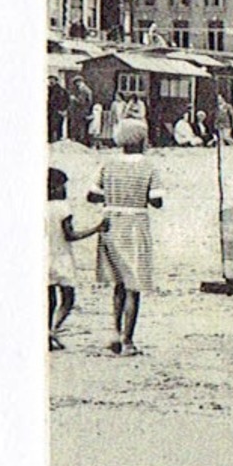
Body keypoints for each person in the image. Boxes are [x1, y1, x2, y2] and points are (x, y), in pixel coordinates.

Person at [90, 119, 163, 356]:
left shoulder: (108, 163)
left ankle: (114, 332)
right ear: (142, 140)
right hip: (135, 224)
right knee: (135, 284)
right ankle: (128, 340)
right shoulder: (149, 166)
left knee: (118, 283)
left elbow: (91, 195)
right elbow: (156, 200)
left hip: (110, 223)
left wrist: (113, 198)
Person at [47, 167, 108, 350]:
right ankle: (53, 330)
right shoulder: (63, 207)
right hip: (62, 257)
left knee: (48, 300)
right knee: (67, 298)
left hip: (43, 258)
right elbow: (70, 235)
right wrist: (96, 228)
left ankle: (46, 331)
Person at [69, 77, 94, 145]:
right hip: (84, 110)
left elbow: (82, 102)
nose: (76, 85)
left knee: (81, 126)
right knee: (81, 126)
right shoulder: (85, 90)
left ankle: (81, 141)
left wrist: (74, 99)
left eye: (77, 82)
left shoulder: (84, 90)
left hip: (82, 111)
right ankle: (82, 140)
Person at [48, 76, 69, 142]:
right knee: (50, 125)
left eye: (52, 80)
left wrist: (63, 110)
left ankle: (58, 139)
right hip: (50, 110)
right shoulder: (48, 89)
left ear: (56, 81)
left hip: (58, 110)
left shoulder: (61, 90)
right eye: (50, 80)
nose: (51, 81)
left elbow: (65, 100)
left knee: (57, 125)